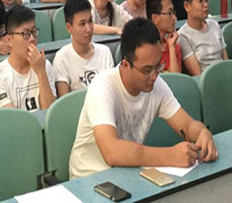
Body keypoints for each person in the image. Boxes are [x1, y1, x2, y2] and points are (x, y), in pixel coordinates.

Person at [68, 18, 217, 179]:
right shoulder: (103, 87)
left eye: (158, 66)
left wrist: (203, 133)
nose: (154, 76)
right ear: (126, 65)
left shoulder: (157, 86)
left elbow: (187, 125)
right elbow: (112, 152)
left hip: (126, 174)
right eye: (146, 70)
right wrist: (170, 155)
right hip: (88, 178)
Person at [0, 5, 57, 110]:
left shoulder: (44, 66)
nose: (32, 39)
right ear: (9, 40)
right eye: (26, 34)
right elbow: (12, 119)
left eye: (34, 32)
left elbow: (50, 112)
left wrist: (41, 73)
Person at [53, 0, 115, 96]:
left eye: (90, 21)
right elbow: (64, 102)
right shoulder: (62, 58)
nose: (89, 29)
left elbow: (112, 93)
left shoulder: (105, 52)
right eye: (82, 24)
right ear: (69, 27)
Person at [177, 0, 228, 75]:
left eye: (207, 0)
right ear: (187, 6)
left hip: (224, 75)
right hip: (205, 80)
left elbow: (226, 61)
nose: (206, 5)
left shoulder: (214, 25)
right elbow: (197, 75)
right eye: (200, 1)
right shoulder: (183, 36)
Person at [146, 0, 182, 73]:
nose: (174, 18)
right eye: (169, 13)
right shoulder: (144, 49)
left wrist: (171, 47)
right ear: (155, 18)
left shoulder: (174, 46)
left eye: (173, 12)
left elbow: (177, 79)